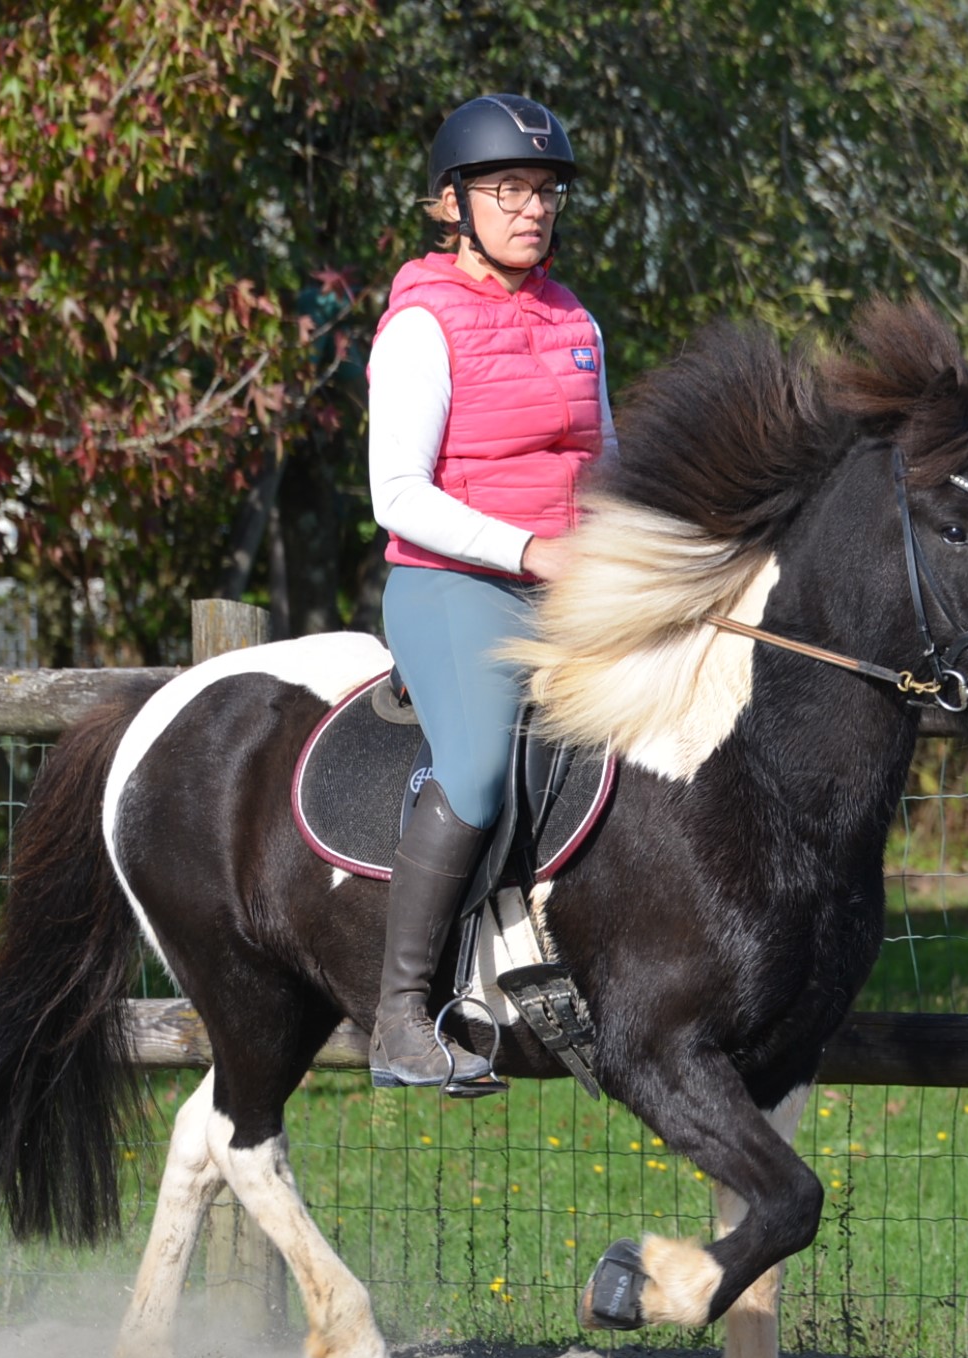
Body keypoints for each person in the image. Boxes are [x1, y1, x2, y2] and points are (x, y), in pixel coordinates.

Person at [365, 93, 615, 1095]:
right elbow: (398, 494)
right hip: (453, 586)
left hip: (572, 587)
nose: (532, 208)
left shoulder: (574, 318)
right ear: (453, 204)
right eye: (508, 188)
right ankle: (399, 1019)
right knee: (472, 771)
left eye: (545, 190)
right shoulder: (423, 323)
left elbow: (609, 462)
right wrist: (529, 550)